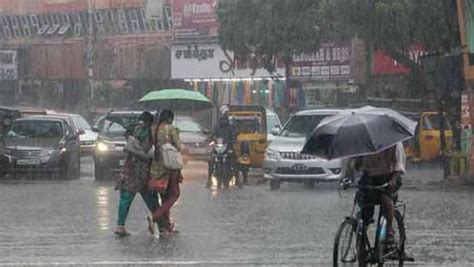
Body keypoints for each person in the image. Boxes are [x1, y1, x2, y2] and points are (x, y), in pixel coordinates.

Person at [354, 142, 405, 247]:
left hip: (389, 177)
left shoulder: (395, 143)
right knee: (363, 202)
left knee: (385, 199)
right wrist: (357, 160)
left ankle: (389, 231)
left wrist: (392, 180)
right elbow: (357, 166)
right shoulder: (364, 143)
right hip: (370, 179)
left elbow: (399, 166)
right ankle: (362, 234)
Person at [114, 111, 157, 237]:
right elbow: (150, 151)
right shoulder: (150, 133)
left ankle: (120, 226)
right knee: (150, 198)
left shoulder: (135, 130)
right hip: (143, 170)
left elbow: (129, 152)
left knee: (126, 197)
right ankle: (162, 223)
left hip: (130, 169)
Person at [149, 109, 182, 234]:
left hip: (156, 166)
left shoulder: (153, 129)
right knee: (174, 194)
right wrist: (176, 135)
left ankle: (167, 226)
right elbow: (178, 147)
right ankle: (155, 217)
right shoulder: (171, 129)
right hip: (170, 166)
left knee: (164, 196)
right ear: (169, 119)